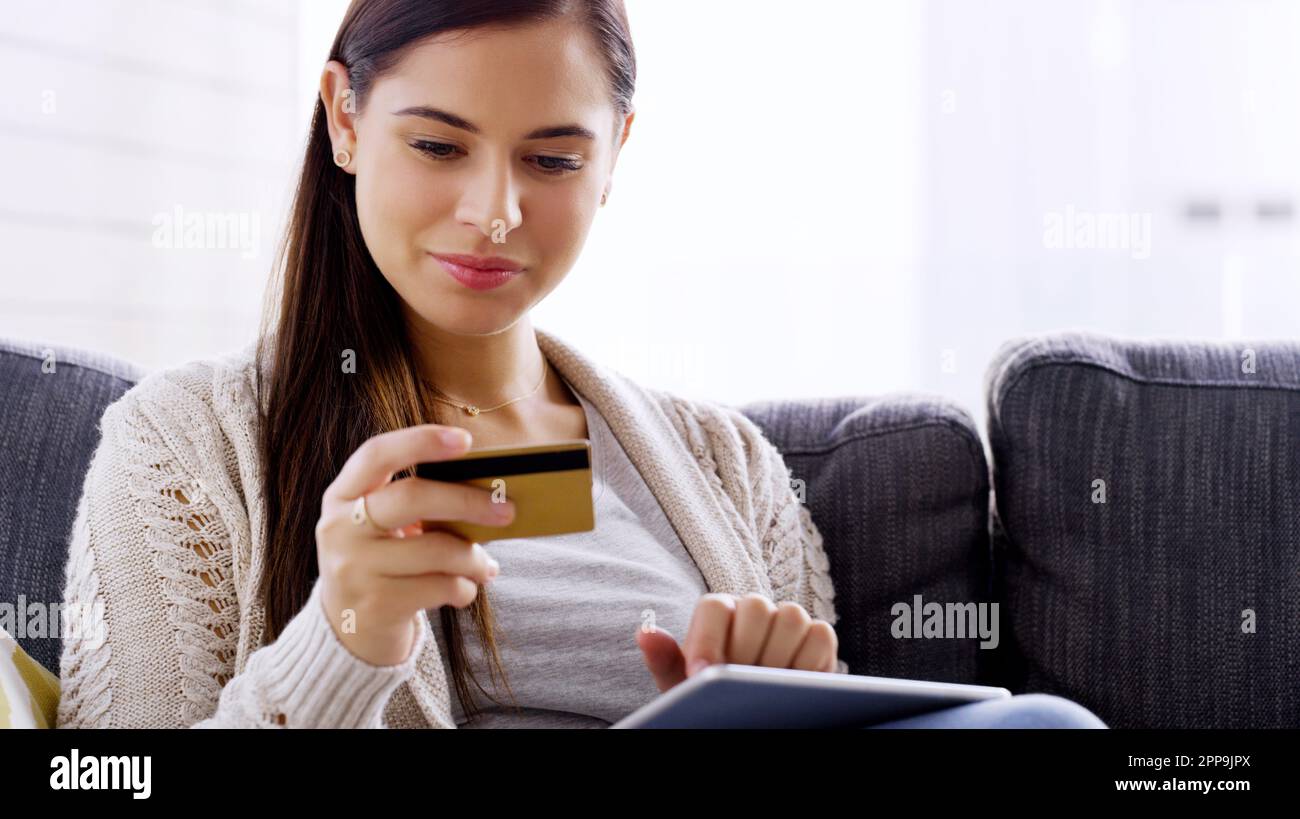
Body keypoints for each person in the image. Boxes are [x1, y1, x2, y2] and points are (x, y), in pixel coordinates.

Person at [55, 0, 1104, 730]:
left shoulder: (726, 467)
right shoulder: (182, 445)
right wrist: (341, 640)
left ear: (615, 159)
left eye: (552, 159)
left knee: (1047, 726)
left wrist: (780, 699)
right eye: (437, 146)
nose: (494, 212)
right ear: (344, 118)